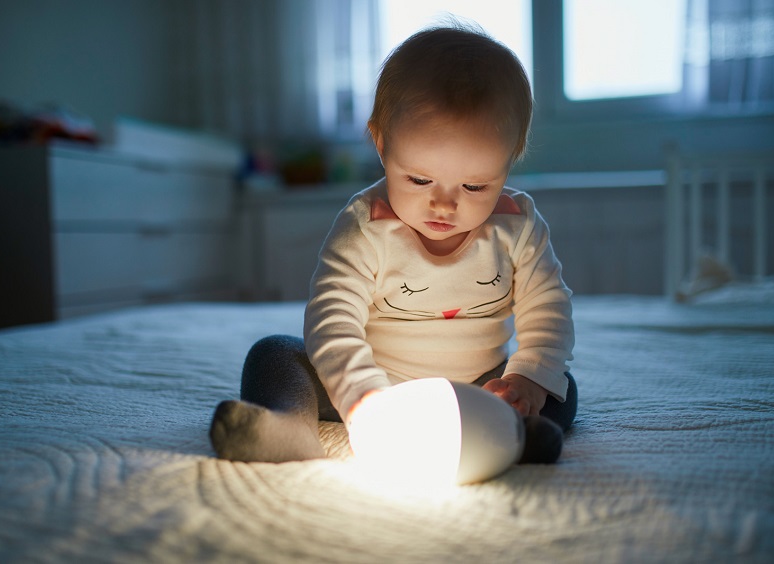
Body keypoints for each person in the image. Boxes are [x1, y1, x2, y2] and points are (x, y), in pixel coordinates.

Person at [210, 23, 577, 466]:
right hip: (376, 381)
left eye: (476, 185)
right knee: (274, 355)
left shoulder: (516, 225)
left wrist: (526, 381)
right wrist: (363, 397)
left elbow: (548, 308)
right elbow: (334, 317)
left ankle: (514, 427)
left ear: (509, 160)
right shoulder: (366, 226)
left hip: (482, 386)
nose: (444, 204)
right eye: (419, 180)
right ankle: (291, 426)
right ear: (382, 143)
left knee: (557, 383)